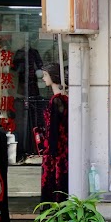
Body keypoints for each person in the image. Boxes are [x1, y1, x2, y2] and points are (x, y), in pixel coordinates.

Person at [39, 64, 68, 204]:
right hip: (62, 147)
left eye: (45, 75)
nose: (43, 78)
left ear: (53, 76)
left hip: (55, 149)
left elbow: (54, 129)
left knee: (54, 179)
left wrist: (50, 150)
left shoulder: (56, 101)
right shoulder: (64, 99)